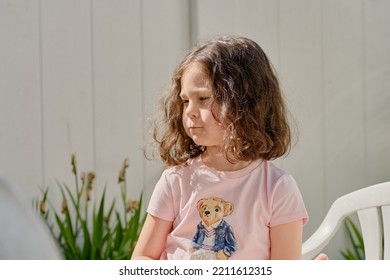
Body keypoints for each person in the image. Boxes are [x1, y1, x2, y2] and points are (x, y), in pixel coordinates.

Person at [132, 35, 313, 260]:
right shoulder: (175, 181)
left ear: (244, 103)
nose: (189, 111)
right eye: (186, 100)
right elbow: (142, 260)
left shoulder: (277, 188)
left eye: (203, 98)